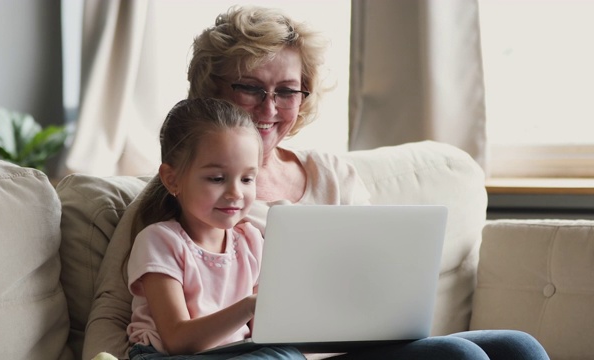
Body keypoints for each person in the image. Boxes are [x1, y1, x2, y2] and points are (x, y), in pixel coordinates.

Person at [85, 5, 550, 360]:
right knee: (460, 356)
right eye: (251, 87)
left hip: (353, 347)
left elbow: (377, 281)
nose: (269, 108)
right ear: (213, 90)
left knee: (517, 346)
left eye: (286, 90)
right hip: (274, 355)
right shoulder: (177, 200)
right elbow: (116, 315)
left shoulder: (333, 176)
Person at [125, 98, 304, 359]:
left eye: (246, 179)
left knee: (287, 354)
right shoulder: (159, 240)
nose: (235, 193)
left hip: (239, 353)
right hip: (169, 355)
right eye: (217, 179)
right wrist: (250, 307)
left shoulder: (252, 241)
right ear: (172, 179)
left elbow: (264, 335)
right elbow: (177, 340)